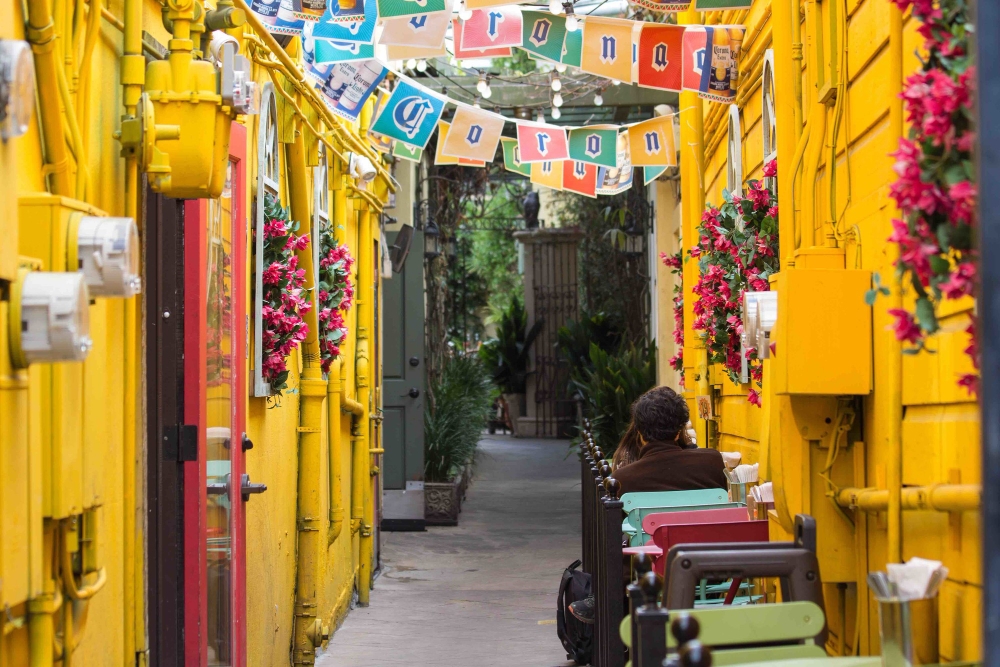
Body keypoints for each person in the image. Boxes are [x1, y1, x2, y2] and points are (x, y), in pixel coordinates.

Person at [569, 386, 727, 625]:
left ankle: (602, 602)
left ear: (640, 432)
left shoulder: (625, 478)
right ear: (680, 431)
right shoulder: (713, 462)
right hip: (712, 574)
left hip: (653, 580)